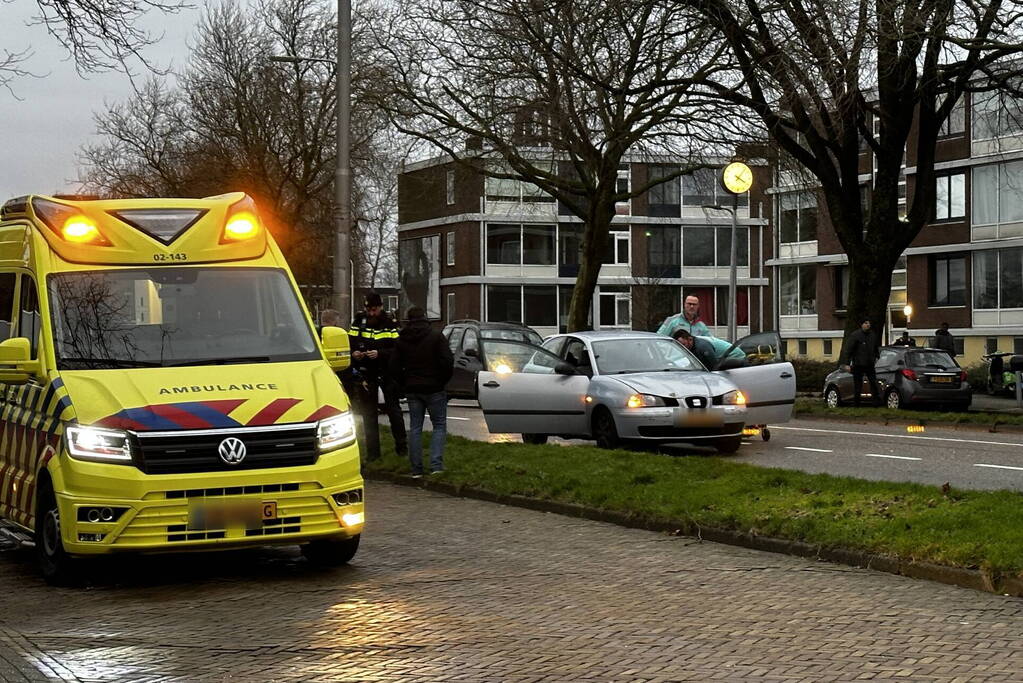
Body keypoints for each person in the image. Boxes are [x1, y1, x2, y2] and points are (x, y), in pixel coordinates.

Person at [390, 306, 454, 477]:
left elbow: (394, 366)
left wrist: (404, 383)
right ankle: (436, 466)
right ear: (425, 318)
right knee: (439, 426)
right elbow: (448, 361)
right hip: (435, 388)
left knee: (415, 427)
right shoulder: (436, 336)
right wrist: (442, 381)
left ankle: (416, 469)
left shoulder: (402, 340)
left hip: (412, 388)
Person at [349, 292, 407, 462]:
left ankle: (402, 449)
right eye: (369, 310)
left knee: (393, 411)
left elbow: (398, 349)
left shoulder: (389, 323)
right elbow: (350, 342)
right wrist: (355, 353)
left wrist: (380, 353)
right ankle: (373, 454)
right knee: (369, 414)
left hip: (386, 372)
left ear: (381, 307)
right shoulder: (358, 322)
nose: (371, 313)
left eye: (374, 309)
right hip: (367, 373)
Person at [842, 319, 880, 407]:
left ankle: (876, 403)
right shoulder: (855, 335)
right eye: (866, 323)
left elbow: (875, 347)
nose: (868, 325)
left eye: (869, 323)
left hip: (870, 363)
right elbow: (849, 349)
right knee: (858, 385)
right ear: (862, 324)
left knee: (873, 383)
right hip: (858, 363)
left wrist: (876, 357)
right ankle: (856, 404)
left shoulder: (872, 335)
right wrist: (847, 363)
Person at [671, 329, 745, 369]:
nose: (683, 348)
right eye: (680, 346)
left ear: (690, 339)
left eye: (684, 345)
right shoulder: (692, 344)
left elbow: (714, 367)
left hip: (736, 357)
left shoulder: (702, 347)